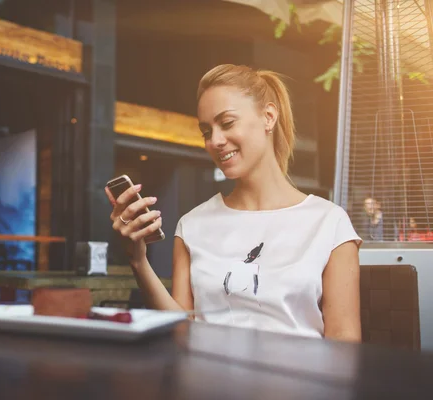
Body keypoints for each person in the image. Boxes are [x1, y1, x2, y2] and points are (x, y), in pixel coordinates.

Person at [105, 64, 362, 342]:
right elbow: (181, 334)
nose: (215, 141)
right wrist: (138, 261)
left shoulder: (329, 223)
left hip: (299, 383)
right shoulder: (192, 226)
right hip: (206, 382)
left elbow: (344, 346)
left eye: (227, 123)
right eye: (206, 131)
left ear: (268, 117)